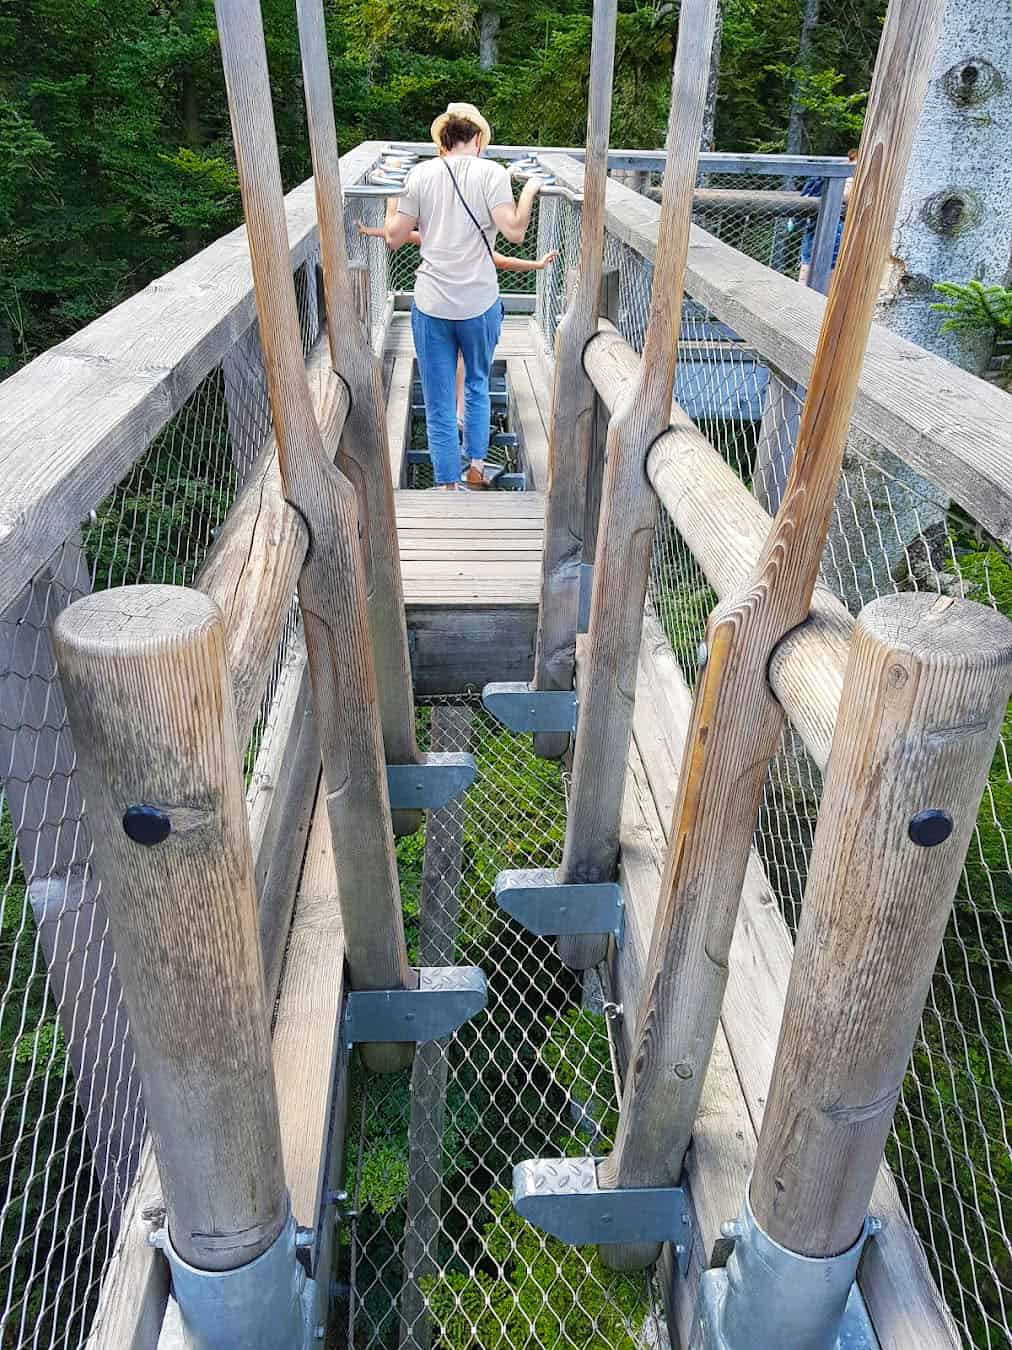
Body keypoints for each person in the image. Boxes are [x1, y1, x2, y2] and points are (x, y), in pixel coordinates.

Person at [384, 102, 542, 489]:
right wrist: (531, 189)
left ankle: (446, 485)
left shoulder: (419, 174)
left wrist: (392, 194)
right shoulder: (492, 173)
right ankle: (475, 467)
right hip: (478, 302)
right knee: (475, 383)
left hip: (432, 302)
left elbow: (393, 237)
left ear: (444, 139)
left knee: (438, 400)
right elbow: (515, 232)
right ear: (477, 139)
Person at [360, 219, 558, 435]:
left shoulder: (438, 240)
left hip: (444, 314)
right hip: (472, 314)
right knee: (466, 358)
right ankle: (461, 413)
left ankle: (454, 413)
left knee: (453, 359)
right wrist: (537, 265)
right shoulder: (477, 248)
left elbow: (404, 234)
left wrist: (370, 231)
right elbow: (505, 262)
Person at [796, 148, 858, 287]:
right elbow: (846, 197)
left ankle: (801, 298)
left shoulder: (836, 168)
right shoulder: (854, 171)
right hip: (837, 226)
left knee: (806, 269)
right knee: (830, 275)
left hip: (815, 224)